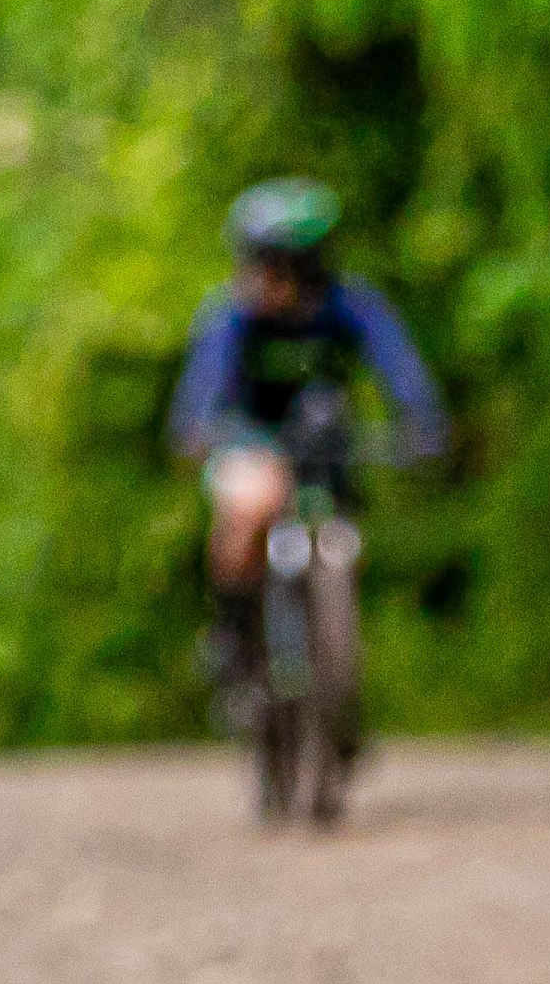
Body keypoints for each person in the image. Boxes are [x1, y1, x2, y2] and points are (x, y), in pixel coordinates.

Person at [169, 179, 450, 702]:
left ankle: (332, 648)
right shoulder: (231, 315)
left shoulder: (352, 305)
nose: (260, 277)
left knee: (343, 522)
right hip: (250, 436)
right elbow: (204, 387)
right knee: (248, 510)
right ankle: (232, 638)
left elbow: (400, 367)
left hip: (327, 440)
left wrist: (424, 424)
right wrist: (196, 428)